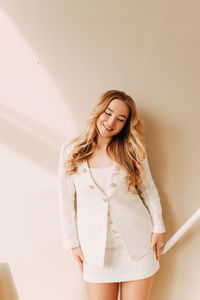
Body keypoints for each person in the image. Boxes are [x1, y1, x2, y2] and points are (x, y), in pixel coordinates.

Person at [57, 90, 166, 300]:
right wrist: (73, 244)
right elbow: (65, 201)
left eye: (120, 119)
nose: (111, 122)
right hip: (95, 252)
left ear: (126, 125)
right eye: (108, 113)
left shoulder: (133, 150)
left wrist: (158, 229)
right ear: (98, 111)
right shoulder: (71, 150)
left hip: (138, 246)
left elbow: (149, 190)